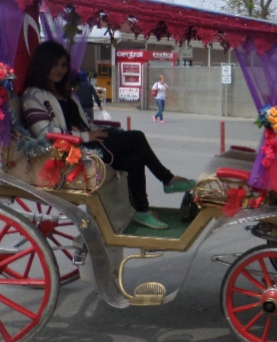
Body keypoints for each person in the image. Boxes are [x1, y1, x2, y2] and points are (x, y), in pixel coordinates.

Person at [21, 41, 194, 230]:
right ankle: (167, 179)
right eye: (55, 64)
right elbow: (46, 133)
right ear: (43, 64)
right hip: (72, 149)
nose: (60, 69)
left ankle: (142, 211)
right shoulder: (33, 96)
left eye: (63, 65)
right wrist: (87, 136)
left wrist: (97, 130)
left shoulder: (65, 93)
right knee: (136, 137)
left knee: (134, 159)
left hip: (88, 140)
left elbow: (83, 122)